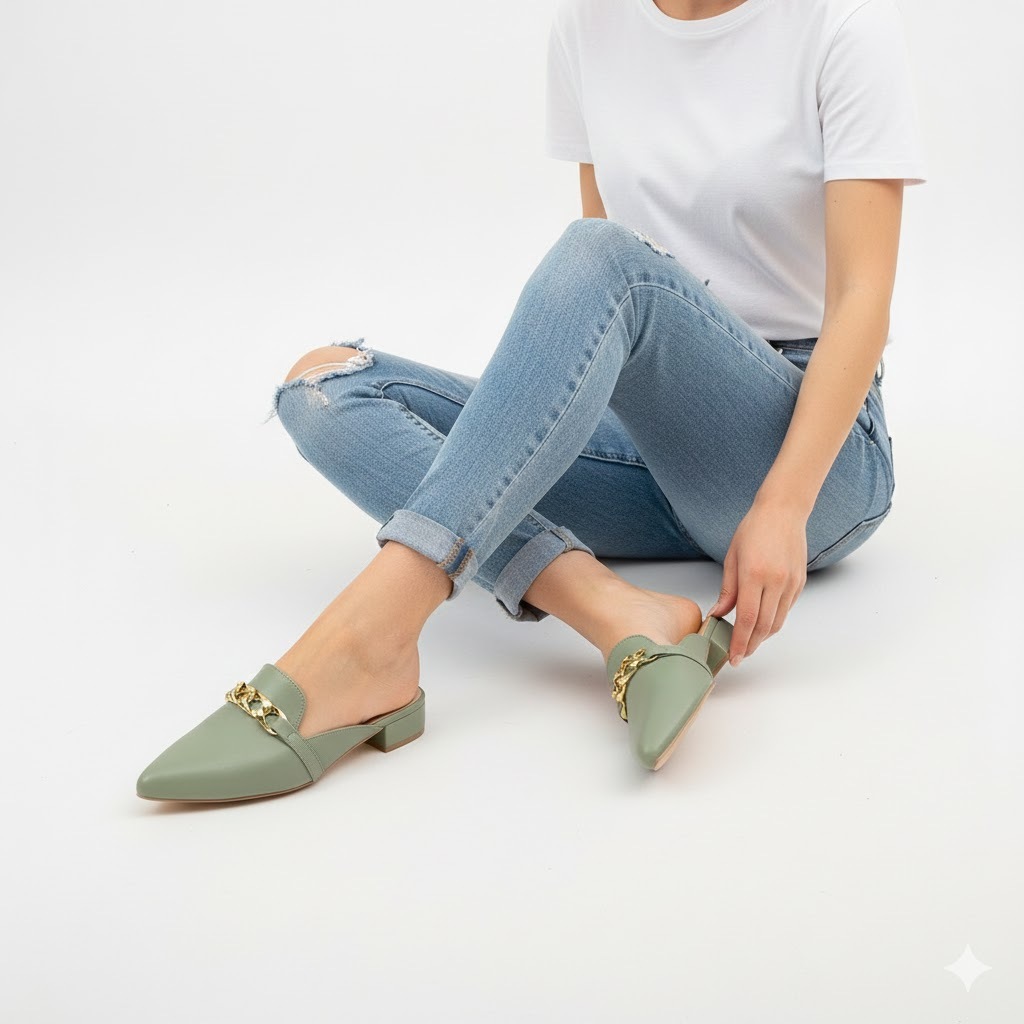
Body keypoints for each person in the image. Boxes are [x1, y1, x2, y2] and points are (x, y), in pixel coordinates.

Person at [135, 0, 928, 801]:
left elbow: (862, 298)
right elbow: (607, 312)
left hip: (807, 449)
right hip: (649, 441)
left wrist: (784, 505)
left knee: (601, 255)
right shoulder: (591, 26)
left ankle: (372, 635)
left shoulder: (843, 25)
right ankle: (617, 613)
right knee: (324, 387)